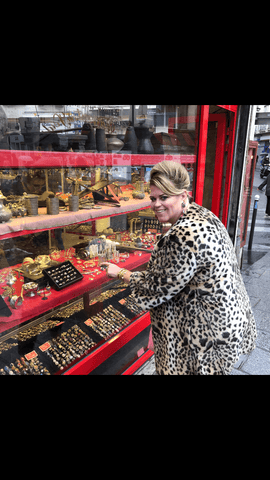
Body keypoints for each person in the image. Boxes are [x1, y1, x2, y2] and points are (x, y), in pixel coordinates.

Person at [102, 161, 257, 375]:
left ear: (183, 195)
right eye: (153, 198)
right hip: (226, 321)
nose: (156, 204)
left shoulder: (182, 236)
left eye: (164, 197)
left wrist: (120, 272)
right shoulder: (204, 215)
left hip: (203, 337)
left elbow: (156, 288)